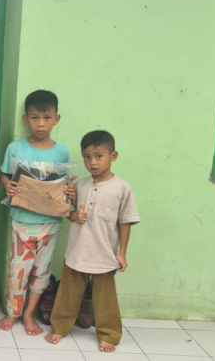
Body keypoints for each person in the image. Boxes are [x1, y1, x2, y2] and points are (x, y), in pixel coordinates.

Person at [45, 130, 140, 352]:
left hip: (104, 253)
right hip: (78, 249)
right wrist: (74, 215)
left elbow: (125, 222)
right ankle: (59, 327)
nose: (93, 162)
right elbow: (69, 212)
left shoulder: (122, 188)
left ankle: (108, 333)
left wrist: (122, 253)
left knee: (105, 298)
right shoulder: (80, 185)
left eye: (99, 156)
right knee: (68, 293)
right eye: (87, 157)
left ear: (113, 156)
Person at [0, 90, 74, 334]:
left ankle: (29, 314)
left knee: (42, 272)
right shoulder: (15, 148)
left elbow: (63, 184)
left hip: (51, 224)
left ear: (56, 119)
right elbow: (5, 175)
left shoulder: (61, 153)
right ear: (25, 119)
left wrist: (69, 190)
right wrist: (6, 184)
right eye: (35, 118)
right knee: (17, 270)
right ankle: (13, 313)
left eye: (47, 117)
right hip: (21, 221)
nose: (41, 123)